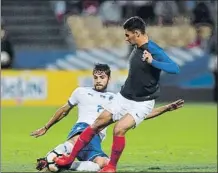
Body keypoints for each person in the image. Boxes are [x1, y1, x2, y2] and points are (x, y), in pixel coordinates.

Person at [54, 16, 180, 172]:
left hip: (142, 103)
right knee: (96, 124)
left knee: (119, 129)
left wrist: (152, 62)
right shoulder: (136, 47)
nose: (126, 39)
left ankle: (111, 167)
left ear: (136, 33)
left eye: (128, 35)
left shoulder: (153, 50)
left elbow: (175, 68)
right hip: (123, 97)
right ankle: (69, 159)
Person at [31, 63, 183, 172]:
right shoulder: (81, 92)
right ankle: (50, 158)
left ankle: (63, 165)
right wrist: (46, 127)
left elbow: (139, 114)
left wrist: (166, 108)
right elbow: (64, 110)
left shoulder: (116, 99)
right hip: (83, 128)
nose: (98, 80)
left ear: (108, 79)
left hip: (97, 138)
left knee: (103, 164)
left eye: (102, 77)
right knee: (77, 138)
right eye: (96, 77)